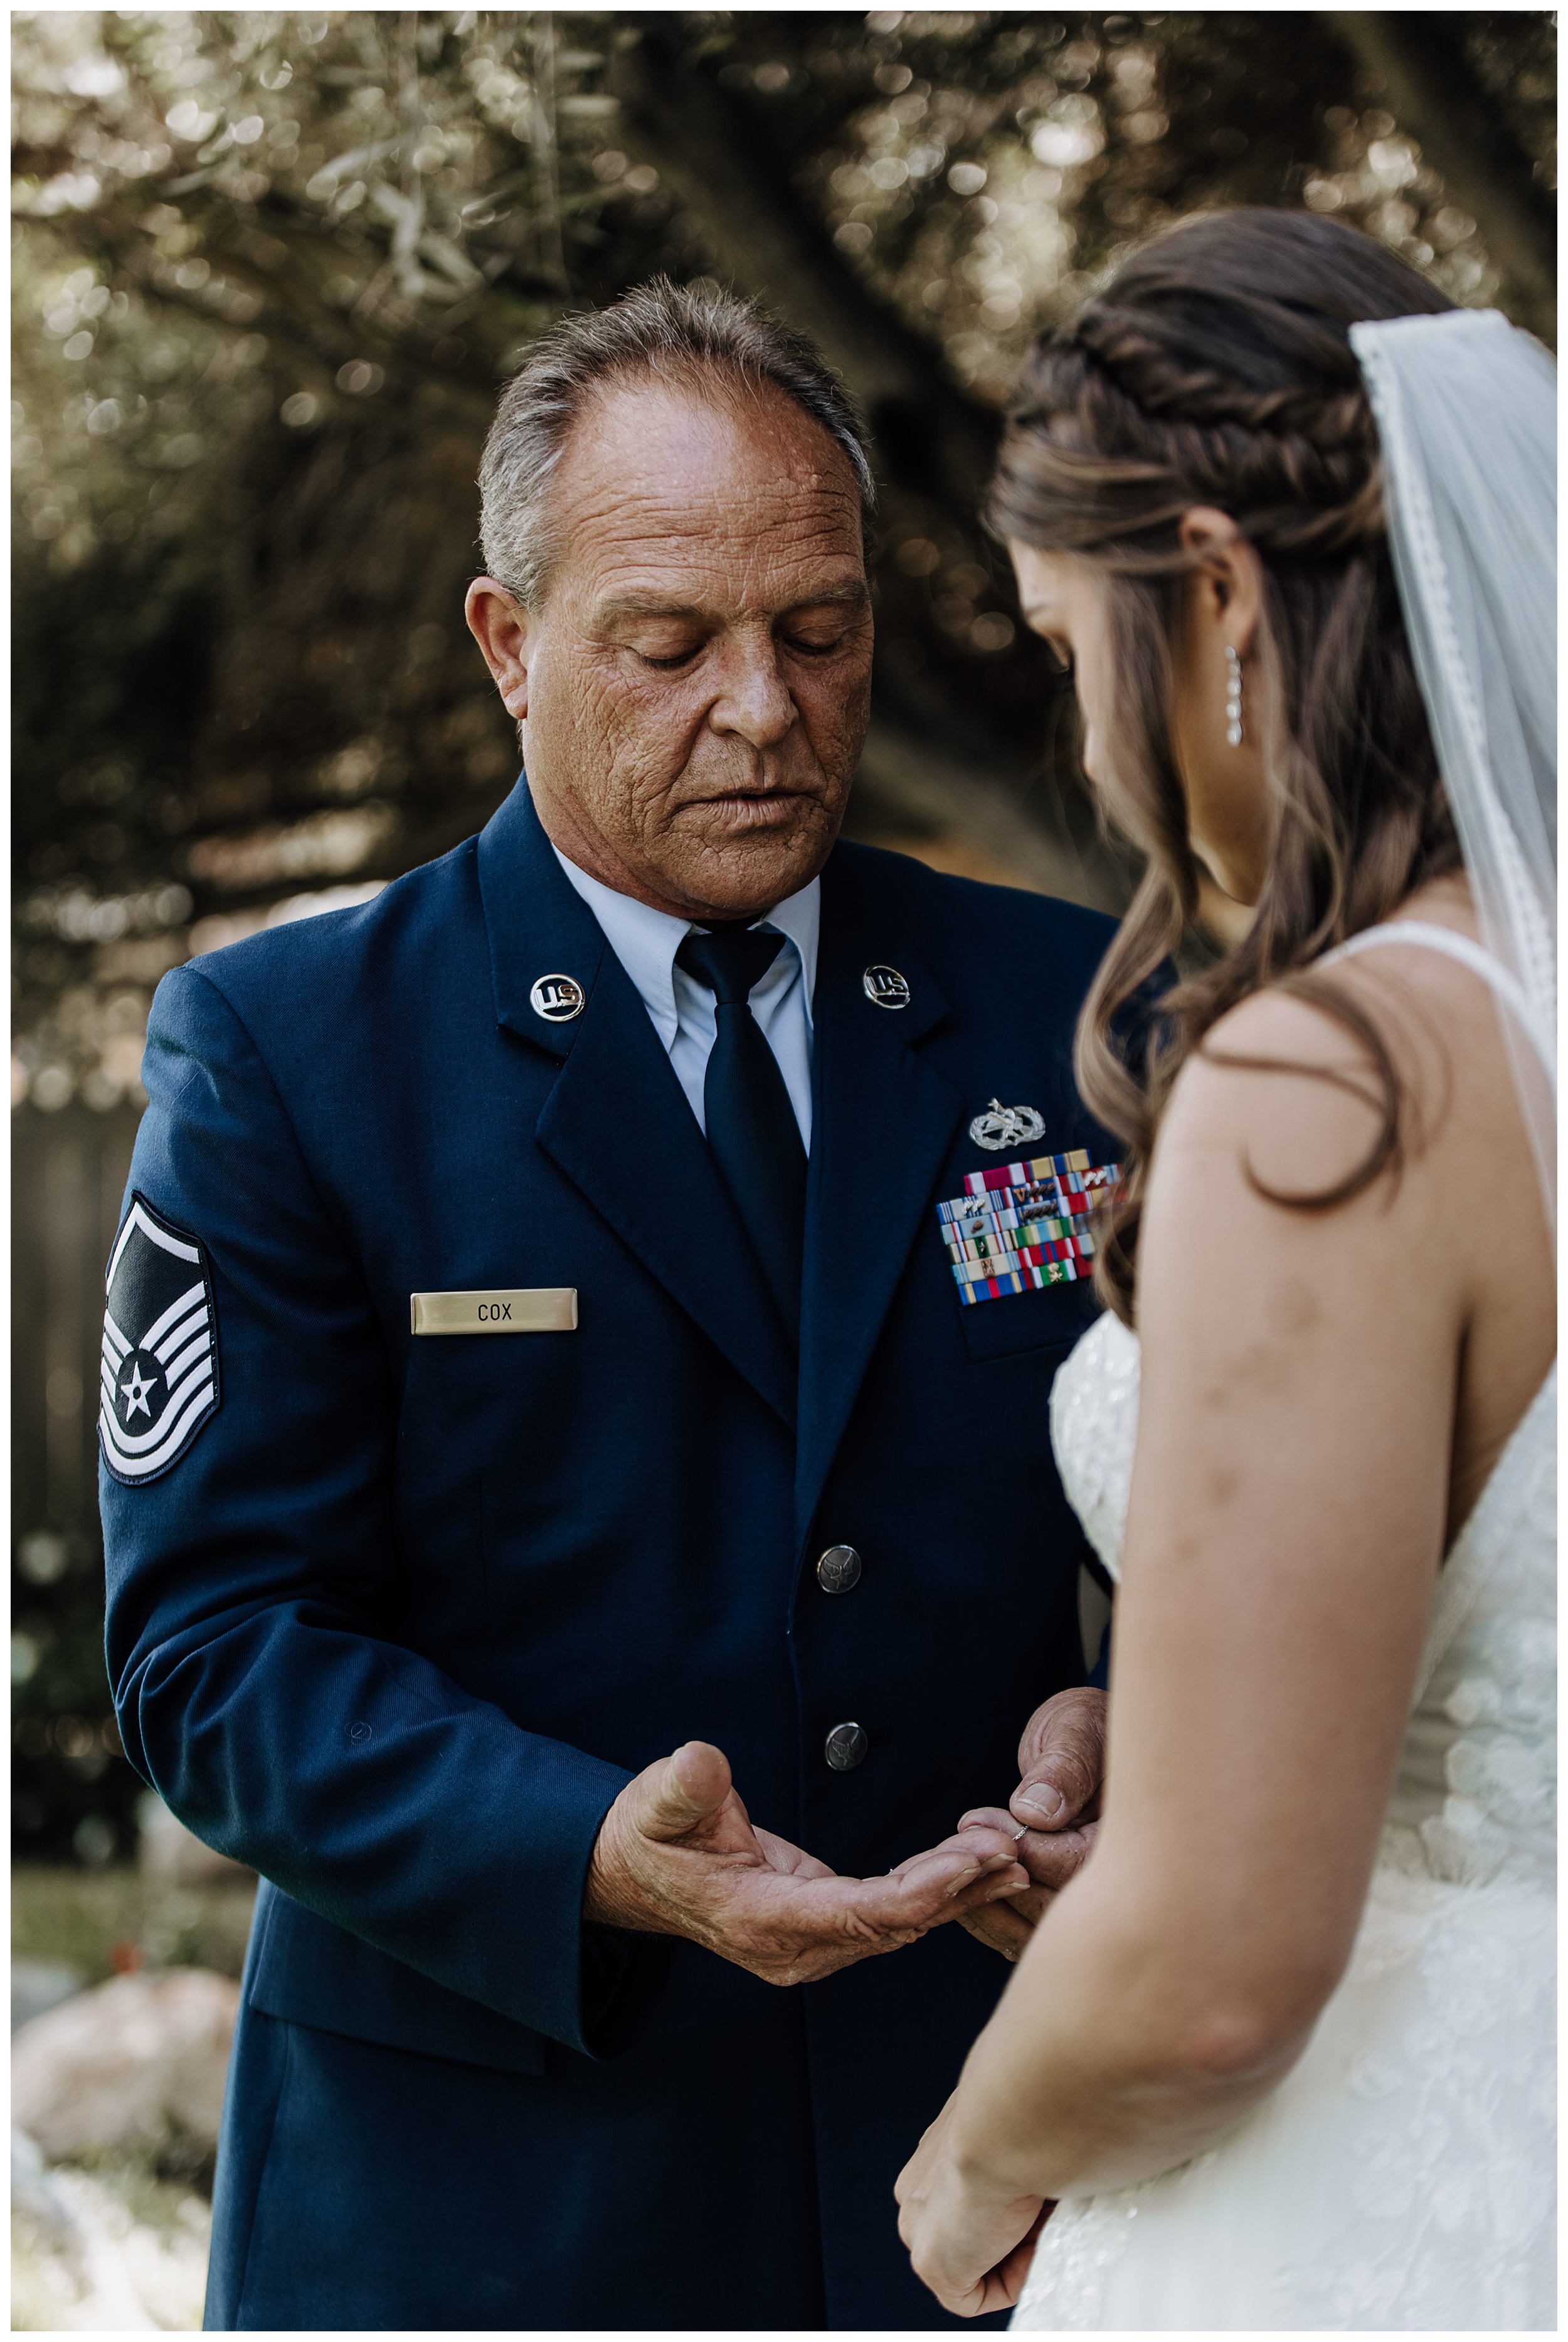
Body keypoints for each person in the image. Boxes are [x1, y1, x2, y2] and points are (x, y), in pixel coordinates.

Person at [101, 280, 1123, 2331]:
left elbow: (1218, 1514)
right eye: (668, 646)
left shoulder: (1067, 1005)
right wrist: (585, 1846)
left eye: (818, 631)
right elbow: (215, 1653)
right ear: (509, 643)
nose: (762, 708)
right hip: (490, 2207)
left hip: (987, 2172)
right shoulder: (292, 1052)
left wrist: (1135, 1729)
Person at [895, 209, 1555, 2329]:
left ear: (1213, 591)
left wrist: (966, 2166)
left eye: (1071, 650)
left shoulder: (1334, 1083)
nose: (1092, 752)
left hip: (1407, 2198)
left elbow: (1207, 1981)